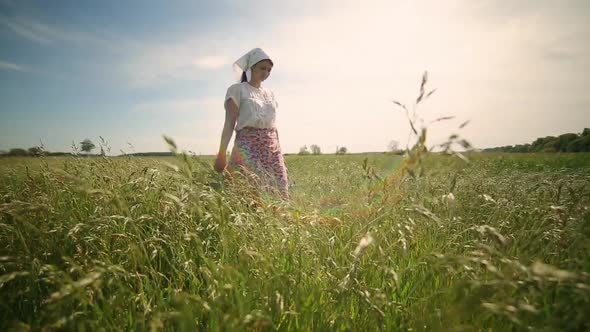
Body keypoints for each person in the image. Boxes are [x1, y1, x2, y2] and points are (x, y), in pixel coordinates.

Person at [214, 48, 289, 200]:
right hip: (248, 146)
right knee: (249, 190)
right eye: (262, 68)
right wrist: (221, 153)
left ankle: (278, 220)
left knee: (280, 187)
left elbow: (273, 125)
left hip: (271, 147)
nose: (266, 73)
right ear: (251, 67)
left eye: (269, 70)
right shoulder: (237, 90)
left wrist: (279, 152)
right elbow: (229, 123)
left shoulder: (270, 93)